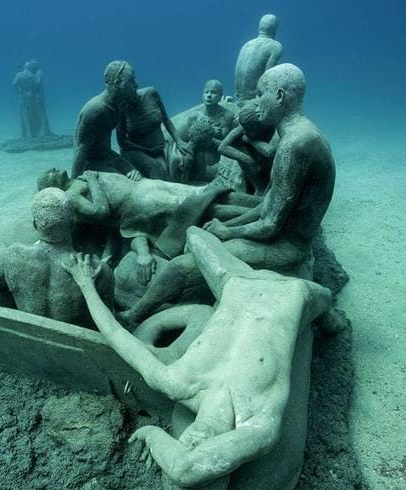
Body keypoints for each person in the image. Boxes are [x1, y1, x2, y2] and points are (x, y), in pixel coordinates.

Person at [62, 227, 332, 490]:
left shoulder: (173, 381)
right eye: (201, 454)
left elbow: (115, 335)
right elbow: (186, 469)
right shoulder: (259, 425)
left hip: (232, 280)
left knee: (193, 234)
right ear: (225, 462)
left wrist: (85, 284)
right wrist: (159, 444)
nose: (192, 444)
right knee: (324, 297)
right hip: (296, 293)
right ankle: (330, 318)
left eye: (183, 447)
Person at [120, 63, 335, 327]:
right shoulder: (301, 134)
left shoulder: (294, 145)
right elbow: (270, 205)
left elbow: (270, 225)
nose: (256, 102)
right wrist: (224, 226)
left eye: (260, 94)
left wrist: (226, 233)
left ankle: (132, 316)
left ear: (279, 96)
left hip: (286, 245)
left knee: (181, 267)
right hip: (283, 229)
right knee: (211, 217)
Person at [36, 168, 260, 285]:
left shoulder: (77, 180)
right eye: (49, 173)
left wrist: (130, 175)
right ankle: (257, 214)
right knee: (202, 206)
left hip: (146, 188)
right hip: (142, 203)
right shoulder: (71, 195)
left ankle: (259, 206)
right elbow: (101, 212)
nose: (53, 168)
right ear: (51, 187)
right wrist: (93, 181)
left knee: (201, 194)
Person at [0, 188, 112, 327]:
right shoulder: (99, 270)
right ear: (72, 224)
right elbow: (107, 321)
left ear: (35, 225)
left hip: (29, 338)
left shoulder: (12, 255)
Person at [72, 61, 142, 179]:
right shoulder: (95, 110)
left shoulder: (118, 105)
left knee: (138, 176)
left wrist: (127, 167)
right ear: (119, 83)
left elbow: (110, 147)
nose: (136, 85)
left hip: (107, 155)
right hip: (90, 162)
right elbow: (81, 149)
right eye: (132, 80)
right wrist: (74, 181)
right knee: (126, 185)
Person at [117, 86, 190, 180]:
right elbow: (122, 142)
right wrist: (147, 150)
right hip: (139, 152)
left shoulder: (151, 93)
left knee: (187, 158)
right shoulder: (120, 108)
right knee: (157, 171)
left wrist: (178, 141)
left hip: (163, 148)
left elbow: (166, 120)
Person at [172, 80, 236, 183]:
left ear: (220, 96)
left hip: (216, 164)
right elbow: (181, 141)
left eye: (213, 92)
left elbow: (227, 145)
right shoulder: (194, 117)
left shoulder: (227, 117)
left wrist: (206, 136)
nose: (209, 95)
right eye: (206, 92)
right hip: (194, 162)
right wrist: (207, 132)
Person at [217, 101, 278, 195]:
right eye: (244, 128)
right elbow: (222, 147)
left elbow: (270, 152)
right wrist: (248, 160)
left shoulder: (269, 126)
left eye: (250, 129)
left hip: (270, 166)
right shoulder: (246, 125)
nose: (246, 132)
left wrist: (250, 140)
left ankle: (261, 188)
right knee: (238, 143)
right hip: (253, 166)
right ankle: (257, 187)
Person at [234, 14, 283, 106]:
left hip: (238, 98)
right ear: (275, 29)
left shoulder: (247, 44)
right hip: (253, 100)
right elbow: (269, 77)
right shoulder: (275, 47)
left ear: (259, 27)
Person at [12, 60, 52, 138]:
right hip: (33, 97)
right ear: (31, 68)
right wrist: (40, 74)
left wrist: (19, 92)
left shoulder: (19, 74)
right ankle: (39, 132)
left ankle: (28, 134)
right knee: (35, 115)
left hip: (24, 98)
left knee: (26, 115)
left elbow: (14, 84)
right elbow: (37, 85)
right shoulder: (33, 75)